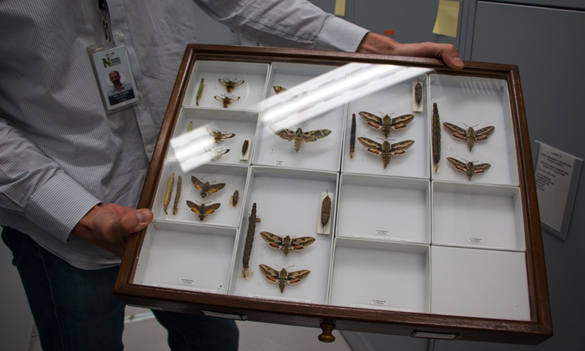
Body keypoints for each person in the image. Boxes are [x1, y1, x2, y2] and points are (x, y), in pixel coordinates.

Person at [0, 0, 463, 350]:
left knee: (212, 340)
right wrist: (77, 212)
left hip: (183, 190)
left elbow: (249, 1)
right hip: (64, 219)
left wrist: (381, 49)